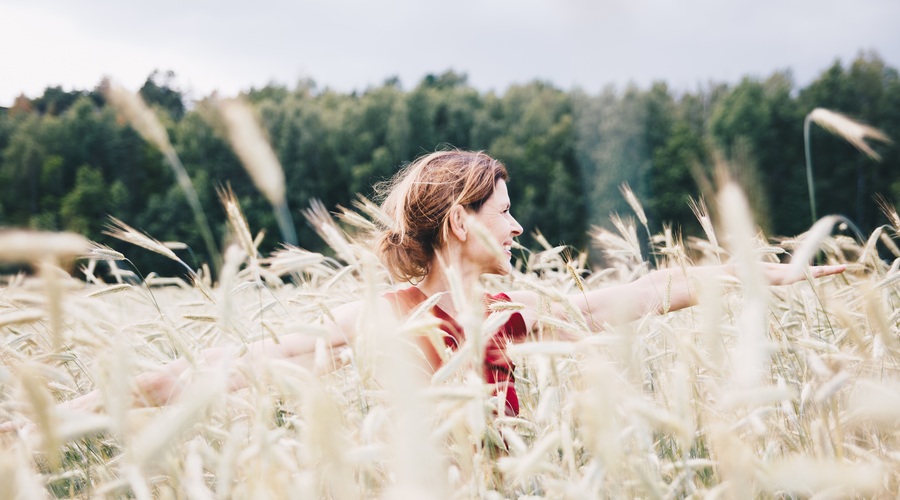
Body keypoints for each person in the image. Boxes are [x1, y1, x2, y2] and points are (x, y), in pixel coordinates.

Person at [2, 149, 846, 426]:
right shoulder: (385, 319)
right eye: (505, 212)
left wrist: (766, 269)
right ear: (459, 224)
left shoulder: (519, 315)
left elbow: (660, 289)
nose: (518, 228)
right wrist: (55, 417)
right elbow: (220, 367)